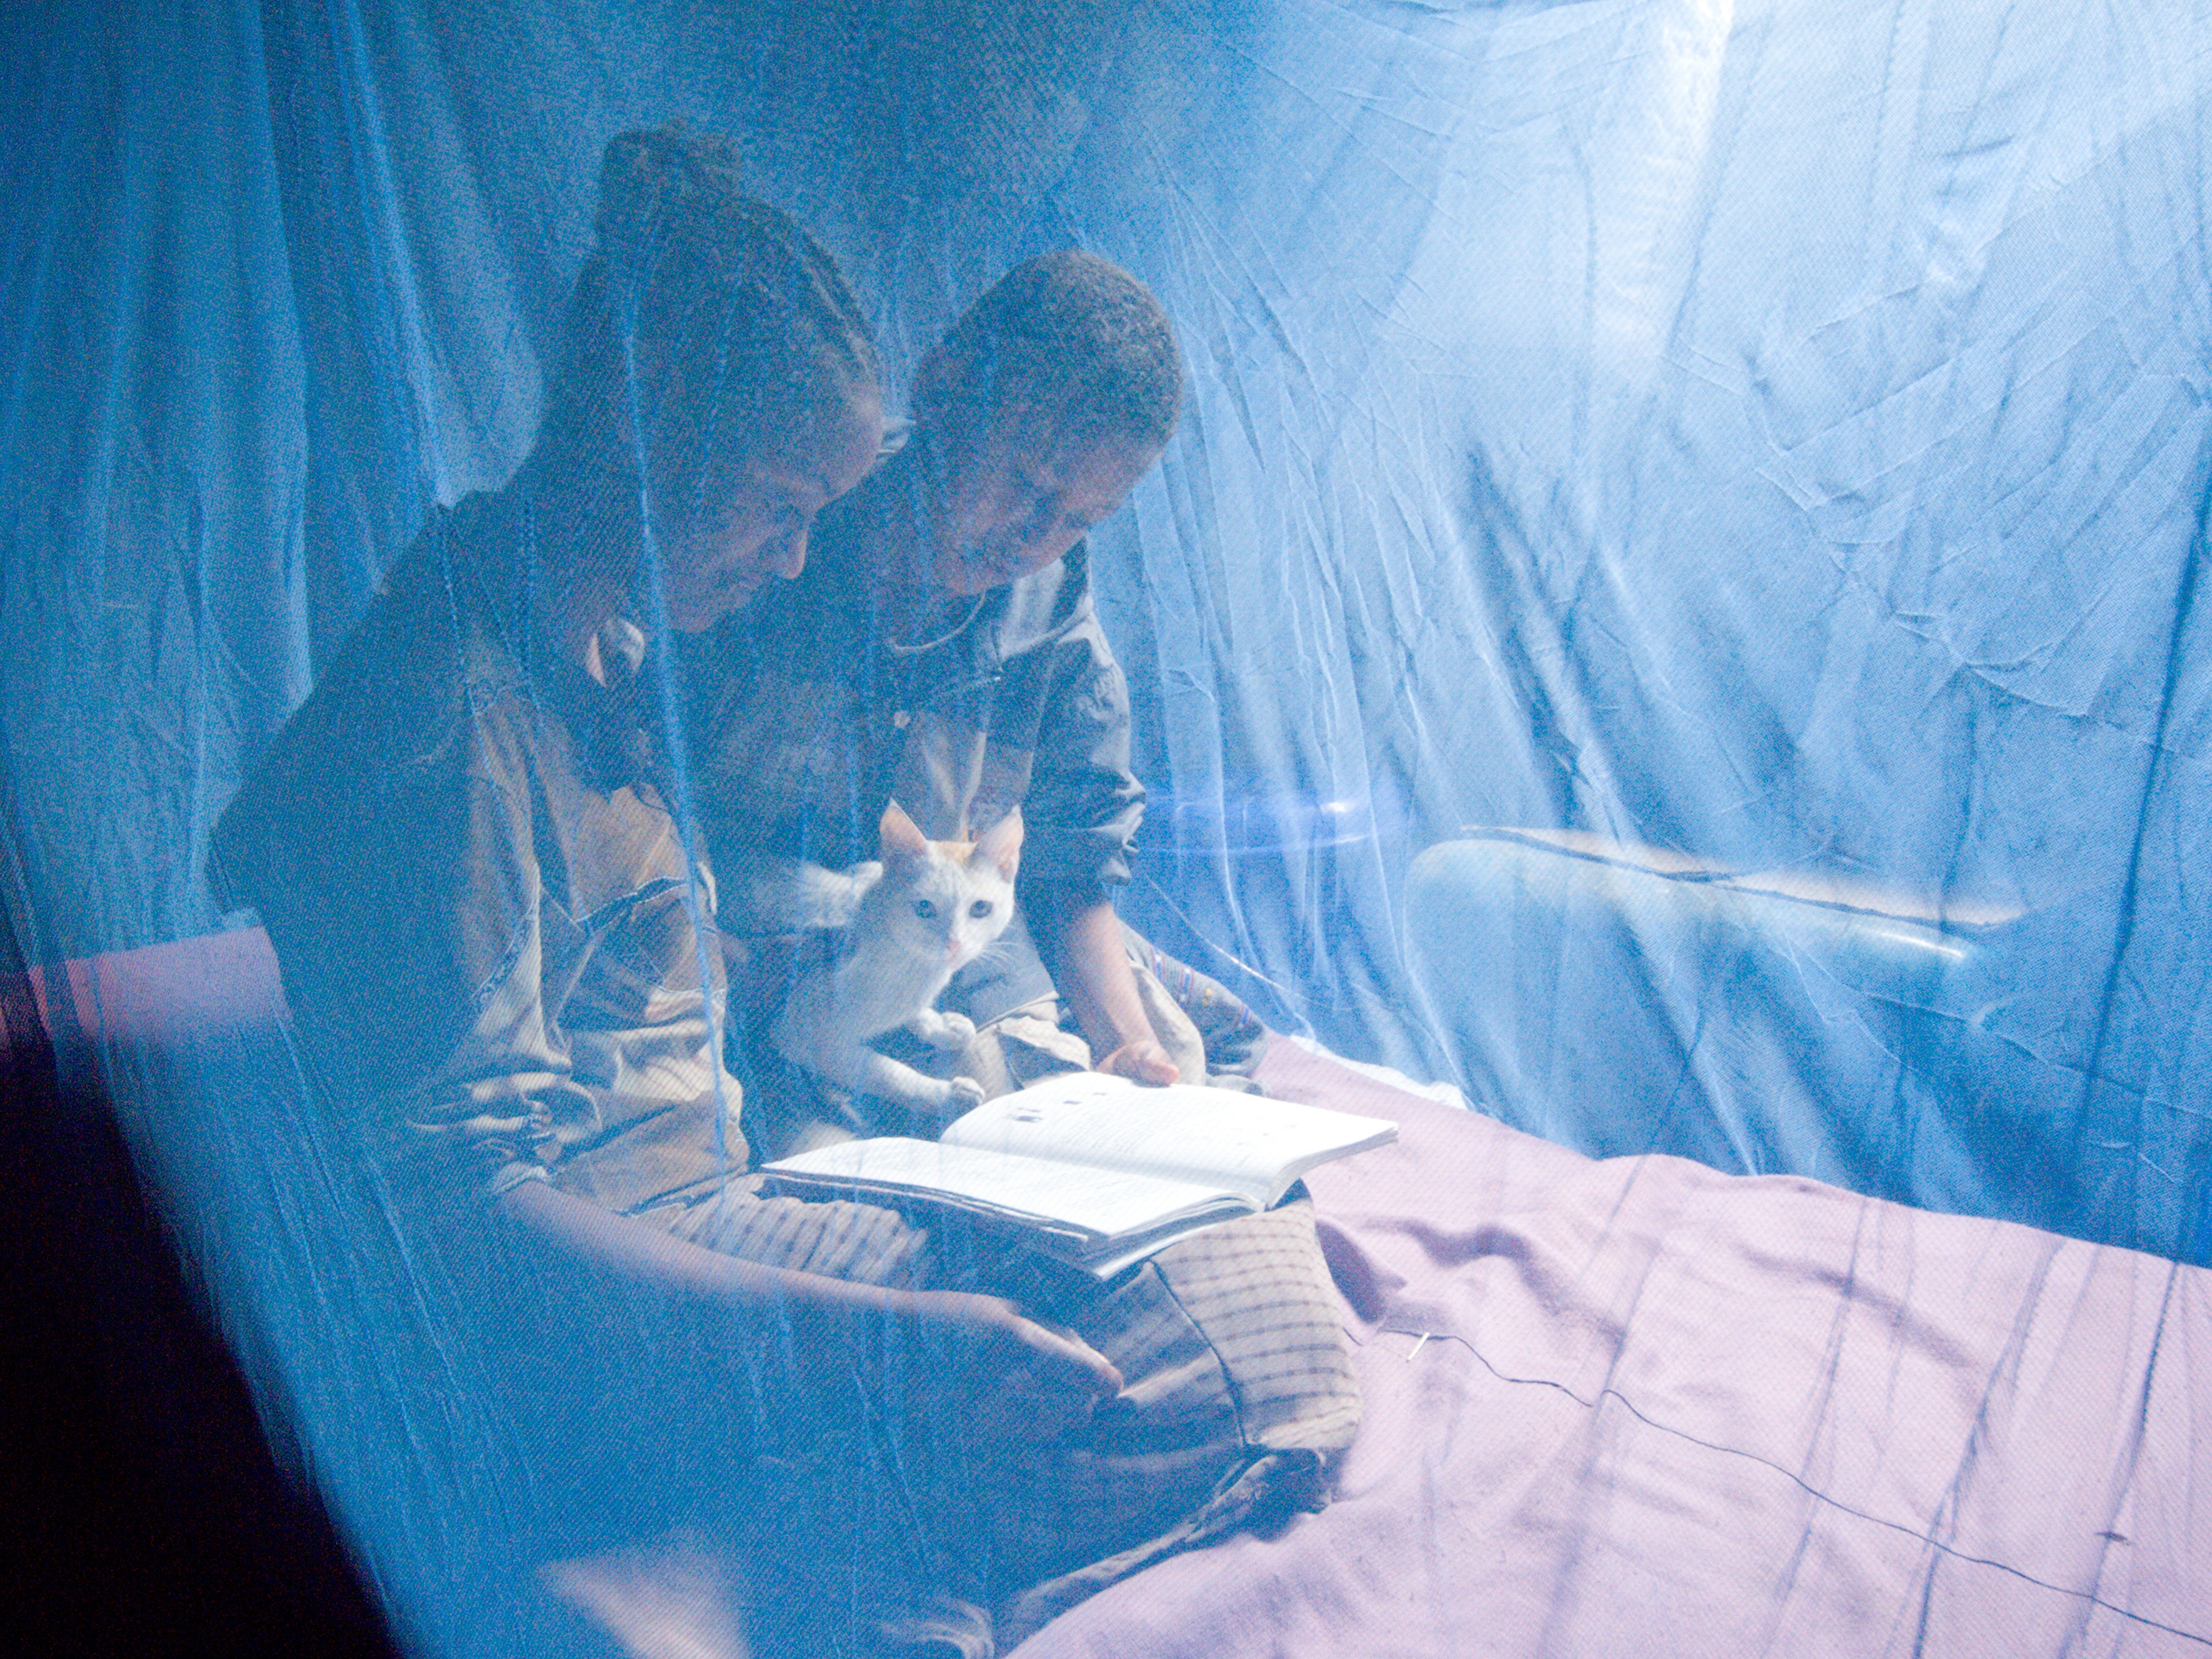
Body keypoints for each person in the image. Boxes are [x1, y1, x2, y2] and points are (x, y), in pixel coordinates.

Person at [212, 134, 1356, 1657]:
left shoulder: (606, 639)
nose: (800, 555)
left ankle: (863, 1559)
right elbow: (465, 1230)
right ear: (640, 442)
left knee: (1225, 1247)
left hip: (728, 1181)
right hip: (604, 1316)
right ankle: (736, 1542)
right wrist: (876, 1348)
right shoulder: (459, 724)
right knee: (1243, 1367)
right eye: (775, 504)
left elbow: (1069, 851)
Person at [688, 250, 1267, 1153]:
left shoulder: (1056, 635)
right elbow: (631, 836)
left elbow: (1072, 873)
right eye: (1027, 486)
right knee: (826, 1171)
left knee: (1098, 1125)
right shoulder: (760, 551)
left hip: (958, 966)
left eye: (1080, 519)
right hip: (748, 978)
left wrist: (1123, 1044)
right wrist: (744, 972)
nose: (1035, 538)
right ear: (944, 387)